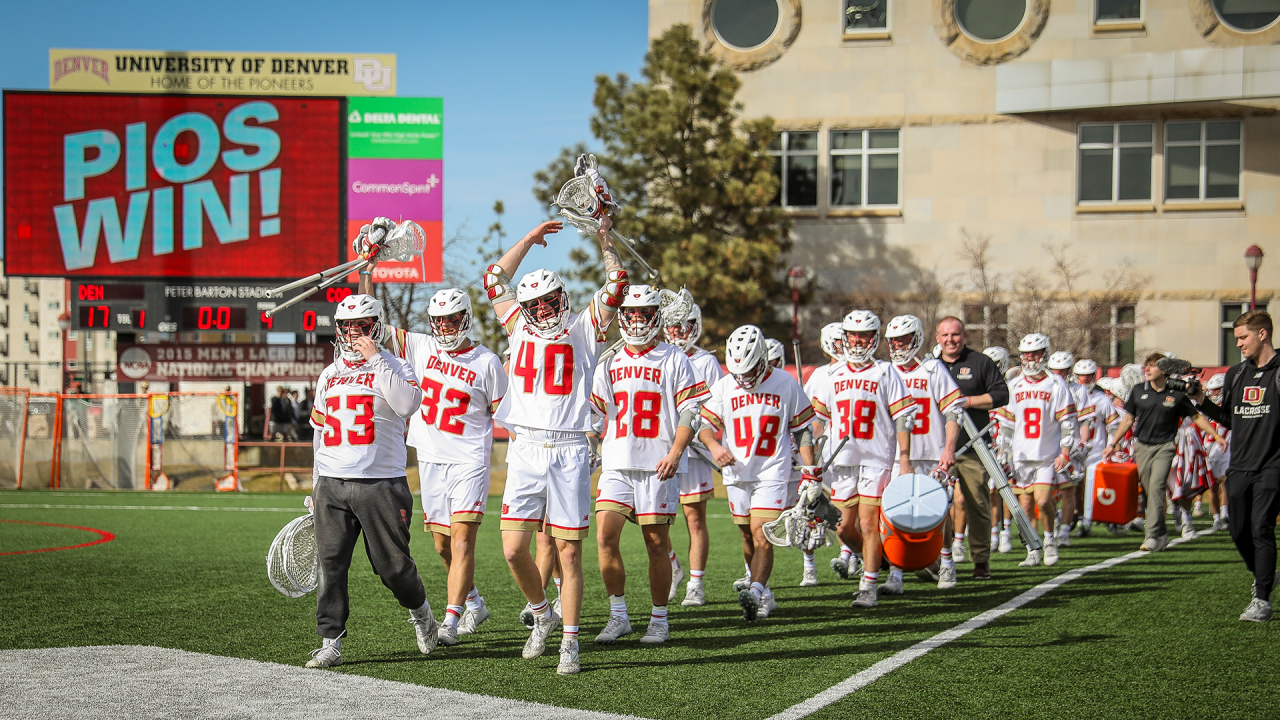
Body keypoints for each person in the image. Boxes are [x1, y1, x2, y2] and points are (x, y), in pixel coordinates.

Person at [482, 216, 627, 674]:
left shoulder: (585, 328)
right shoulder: (516, 327)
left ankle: (570, 640)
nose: (544, 311)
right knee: (511, 549)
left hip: (568, 448)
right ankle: (542, 615)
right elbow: (494, 277)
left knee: (567, 552)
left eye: (550, 302)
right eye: (536, 305)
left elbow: (617, 281)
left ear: (562, 298)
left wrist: (605, 238)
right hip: (525, 446)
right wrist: (528, 239)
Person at [360, 260, 507, 647]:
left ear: (467, 319)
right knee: (442, 545)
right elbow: (369, 315)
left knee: (461, 542)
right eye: (439, 320)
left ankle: (451, 620)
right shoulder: (421, 346)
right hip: (430, 457)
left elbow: (505, 411)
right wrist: (368, 269)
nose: (444, 327)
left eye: (452, 319)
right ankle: (474, 602)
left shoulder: (488, 362)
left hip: (470, 460)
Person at [304, 293, 434, 669]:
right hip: (332, 482)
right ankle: (331, 641)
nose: (353, 334)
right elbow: (319, 432)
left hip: (381, 482)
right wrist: (315, 483)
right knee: (330, 564)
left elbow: (407, 405)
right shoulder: (329, 373)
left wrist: (378, 359)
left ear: (376, 327)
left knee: (391, 567)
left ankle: (421, 610)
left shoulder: (395, 365)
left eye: (361, 326)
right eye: (347, 327)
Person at [590, 285, 707, 644]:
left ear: (656, 316)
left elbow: (692, 410)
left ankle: (659, 619)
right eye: (632, 314)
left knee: (656, 543)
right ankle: (619, 615)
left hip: (657, 464)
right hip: (617, 463)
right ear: (622, 316)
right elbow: (595, 416)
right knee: (605, 536)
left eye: (644, 314)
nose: (637, 321)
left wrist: (675, 452)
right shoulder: (608, 361)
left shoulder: (674, 358)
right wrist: (591, 446)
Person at [699, 325, 815, 621]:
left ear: (763, 359)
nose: (745, 378)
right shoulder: (726, 386)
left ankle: (757, 589)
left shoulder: (785, 383)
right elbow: (704, 428)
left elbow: (803, 431)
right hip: (737, 472)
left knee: (761, 533)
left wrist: (811, 470)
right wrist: (714, 446)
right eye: (740, 371)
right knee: (747, 536)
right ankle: (765, 593)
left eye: (750, 370)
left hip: (771, 470)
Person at [809, 310, 915, 607]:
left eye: (864, 335)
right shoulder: (833, 375)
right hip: (841, 459)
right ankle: (877, 561)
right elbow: (819, 419)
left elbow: (903, 417)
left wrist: (904, 459)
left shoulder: (885, 371)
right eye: (854, 334)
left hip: (876, 457)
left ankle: (868, 584)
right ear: (845, 337)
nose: (858, 340)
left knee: (869, 524)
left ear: (874, 338)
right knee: (842, 526)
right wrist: (805, 448)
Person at [1190, 310, 1275, 622]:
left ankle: (1262, 599)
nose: (1238, 344)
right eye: (1237, 338)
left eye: (1243, 337)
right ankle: (1265, 574)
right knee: (1238, 530)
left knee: (1261, 527)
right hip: (1240, 464)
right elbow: (1230, 419)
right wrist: (1201, 399)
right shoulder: (1236, 374)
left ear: (1262, 334)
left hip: (1273, 466)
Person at [1105, 353, 1224, 553]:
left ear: (1164, 370)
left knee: (1157, 486)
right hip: (1142, 446)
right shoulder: (1138, 391)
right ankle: (1161, 533)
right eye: (1147, 366)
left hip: (1165, 446)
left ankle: (1151, 536)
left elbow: (1195, 416)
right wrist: (1113, 443)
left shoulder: (1176, 394)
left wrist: (1216, 435)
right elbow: (1127, 420)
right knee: (1150, 489)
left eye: (1153, 366)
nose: (1147, 369)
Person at [884, 315, 965, 588]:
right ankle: (896, 571)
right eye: (894, 341)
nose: (898, 346)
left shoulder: (932, 370)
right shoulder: (884, 372)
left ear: (916, 339)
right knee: (895, 516)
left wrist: (948, 449)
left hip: (931, 452)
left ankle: (947, 562)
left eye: (904, 339)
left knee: (939, 514)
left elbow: (954, 411)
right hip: (895, 455)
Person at [935, 317, 1009, 579]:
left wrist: (966, 401)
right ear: (937, 338)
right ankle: (933, 558)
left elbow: (1001, 395)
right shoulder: (931, 367)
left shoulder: (980, 362)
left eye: (955, 335)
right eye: (945, 335)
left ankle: (980, 559)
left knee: (976, 501)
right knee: (933, 503)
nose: (950, 340)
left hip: (973, 444)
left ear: (964, 336)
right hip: (937, 448)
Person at [995, 333, 1075, 568]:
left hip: (1046, 455)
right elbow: (1007, 424)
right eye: (1026, 354)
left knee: (1041, 501)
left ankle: (1049, 539)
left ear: (1044, 354)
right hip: (1020, 455)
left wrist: (1065, 452)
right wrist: (1004, 451)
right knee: (1025, 506)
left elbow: (1067, 422)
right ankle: (1033, 547)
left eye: (1035, 353)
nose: (1030, 359)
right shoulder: (1015, 384)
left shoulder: (1056, 383)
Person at [663, 300, 723, 607]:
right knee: (654, 520)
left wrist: (703, 437)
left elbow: (714, 408)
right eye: (673, 325)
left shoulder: (705, 361)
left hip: (695, 452)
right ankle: (674, 566)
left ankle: (696, 584)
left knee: (694, 519)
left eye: (684, 325)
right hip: (663, 449)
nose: (678, 331)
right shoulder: (660, 355)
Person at [1046, 351, 1095, 545]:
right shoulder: (1045, 387)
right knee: (1047, 491)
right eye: (1055, 370)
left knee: (1068, 490)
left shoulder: (1078, 391)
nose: (1058, 374)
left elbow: (1085, 420)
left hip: (1069, 445)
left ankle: (1065, 530)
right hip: (1048, 445)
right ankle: (1053, 524)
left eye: (1062, 370)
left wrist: (1082, 442)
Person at [1072, 359, 1120, 536]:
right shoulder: (1069, 396)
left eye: (1088, 375)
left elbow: (1113, 426)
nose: (1084, 379)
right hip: (1073, 450)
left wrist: (1112, 446)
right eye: (1081, 375)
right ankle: (1076, 518)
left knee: (1090, 487)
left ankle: (1088, 521)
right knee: (1074, 488)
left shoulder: (1103, 400)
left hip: (1095, 451)